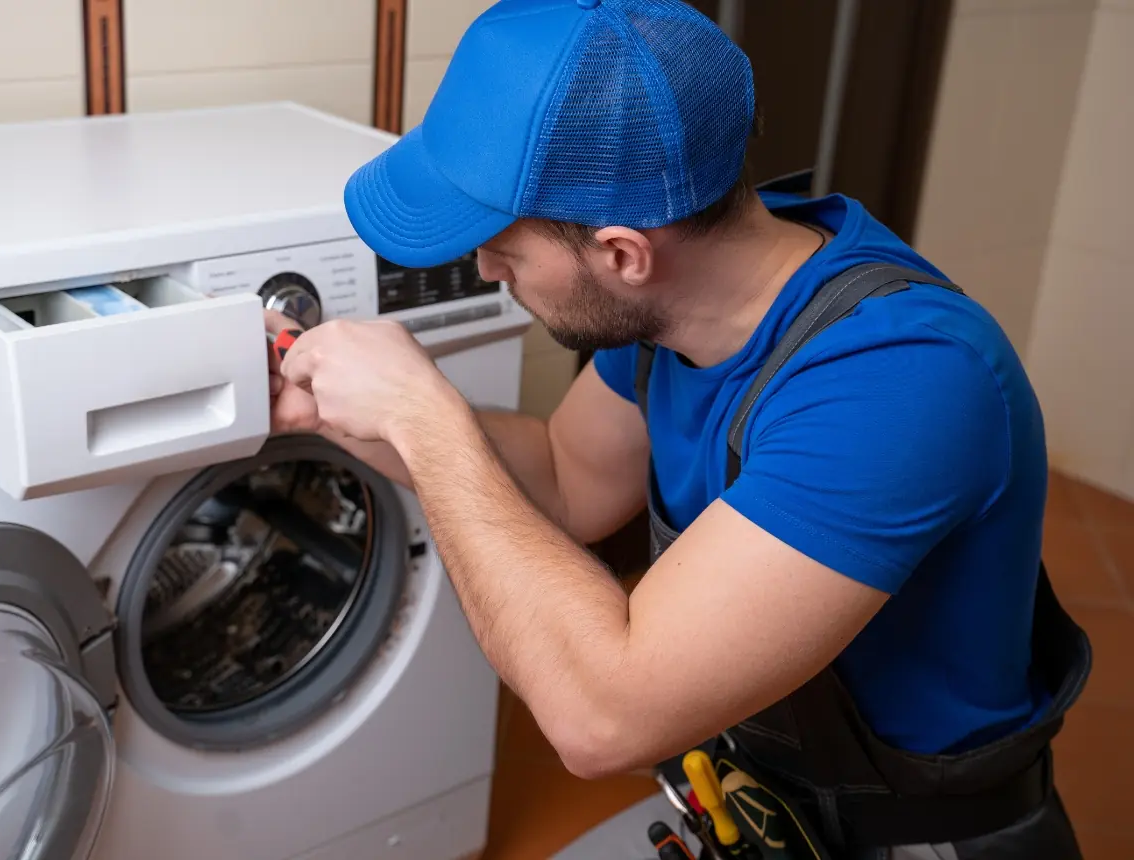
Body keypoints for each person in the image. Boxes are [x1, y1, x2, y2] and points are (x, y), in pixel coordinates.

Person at [267, 0, 1090, 857]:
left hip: (917, 840)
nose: (484, 268)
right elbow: (566, 479)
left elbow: (601, 718)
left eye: (502, 245)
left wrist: (420, 412)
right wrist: (338, 415)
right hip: (758, 804)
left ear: (623, 254)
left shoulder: (900, 380)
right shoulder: (683, 304)